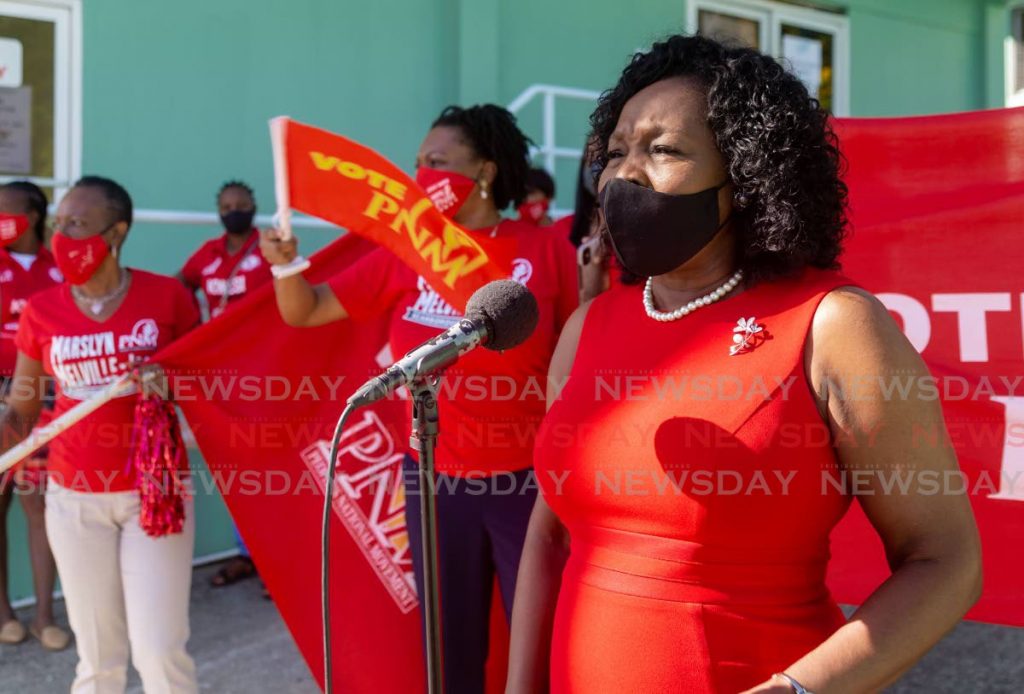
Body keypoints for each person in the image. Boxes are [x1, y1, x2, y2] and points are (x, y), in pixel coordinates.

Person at [507, 35, 982, 694]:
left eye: (662, 150)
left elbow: (945, 559)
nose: (625, 175)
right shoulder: (589, 327)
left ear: (750, 173)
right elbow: (550, 537)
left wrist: (795, 690)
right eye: (615, 152)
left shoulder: (833, 324)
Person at [260, 104, 578, 692]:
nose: (422, 175)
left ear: (484, 171)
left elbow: (582, 354)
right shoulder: (412, 250)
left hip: (528, 486)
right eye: (417, 164)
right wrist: (285, 266)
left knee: (544, 646)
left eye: (438, 162)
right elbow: (306, 310)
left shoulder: (544, 248)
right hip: (434, 482)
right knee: (447, 650)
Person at [2, 176, 200, 692]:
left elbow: (206, 386)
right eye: (61, 223)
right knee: (97, 661)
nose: (64, 235)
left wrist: (170, 383)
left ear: (116, 233)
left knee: (159, 653)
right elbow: (22, 410)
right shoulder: (44, 310)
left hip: (155, 496)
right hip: (73, 499)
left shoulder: (168, 297)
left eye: (79, 224)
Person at [179, 180, 271, 590]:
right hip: (220, 375)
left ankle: (278, 557)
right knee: (233, 462)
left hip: (266, 370)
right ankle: (246, 553)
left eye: (241, 204)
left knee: (269, 462)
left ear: (254, 207)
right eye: (227, 205)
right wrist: (195, 334)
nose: (234, 209)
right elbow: (179, 290)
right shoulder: (209, 254)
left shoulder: (269, 248)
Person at [0, 181, 68, 651]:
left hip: (42, 398)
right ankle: (4, 612)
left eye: (6, 210)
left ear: (34, 214)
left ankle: (45, 614)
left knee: (38, 503)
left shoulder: (61, 268)